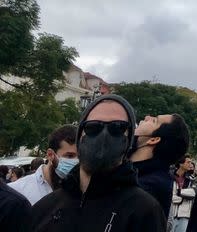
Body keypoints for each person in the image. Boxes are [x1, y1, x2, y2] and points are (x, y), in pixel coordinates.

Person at [31, 94, 166, 231]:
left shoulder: (144, 211)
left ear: (128, 140)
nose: (104, 134)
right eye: (93, 127)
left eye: (117, 127)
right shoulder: (45, 207)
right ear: (80, 136)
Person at [130, 112, 191, 219]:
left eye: (154, 121)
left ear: (153, 139)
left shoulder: (146, 188)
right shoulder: (133, 172)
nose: (146, 117)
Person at [10, 125, 78, 205]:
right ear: (50, 155)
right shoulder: (18, 190)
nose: (77, 162)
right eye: (69, 156)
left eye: (81, 156)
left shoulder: (82, 190)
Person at [170, 155, 196, 232]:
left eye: (191, 162)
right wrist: (184, 195)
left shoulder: (191, 179)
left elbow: (193, 193)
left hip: (184, 215)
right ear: (181, 164)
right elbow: (171, 196)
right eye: (188, 162)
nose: (190, 165)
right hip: (171, 214)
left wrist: (179, 192)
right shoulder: (170, 176)